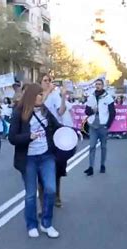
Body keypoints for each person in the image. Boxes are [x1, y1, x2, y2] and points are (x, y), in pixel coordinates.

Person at [8, 83, 61, 238]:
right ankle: (31, 224)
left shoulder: (45, 111)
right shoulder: (19, 112)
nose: (42, 97)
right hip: (28, 159)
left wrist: (71, 132)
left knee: (50, 189)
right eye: (39, 94)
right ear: (32, 96)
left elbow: (57, 127)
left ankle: (46, 223)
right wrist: (28, 137)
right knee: (31, 194)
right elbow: (12, 138)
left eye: (42, 94)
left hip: (46, 156)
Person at [40, 74, 73, 207]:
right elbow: (39, 104)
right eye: (45, 81)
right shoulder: (38, 95)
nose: (48, 83)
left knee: (58, 166)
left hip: (56, 133)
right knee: (42, 167)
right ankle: (44, 200)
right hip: (41, 134)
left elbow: (61, 111)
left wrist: (63, 97)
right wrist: (47, 92)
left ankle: (57, 195)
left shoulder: (55, 96)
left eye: (50, 81)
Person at [83, 79, 116, 176]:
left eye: (99, 84)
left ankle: (102, 165)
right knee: (92, 146)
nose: (97, 86)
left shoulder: (108, 97)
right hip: (93, 124)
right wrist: (92, 111)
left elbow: (112, 112)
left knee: (103, 146)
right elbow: (86, 112)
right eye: (96, 84)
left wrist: (108, 125)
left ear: (103, 86)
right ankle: (91, 167)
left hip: (103, 125)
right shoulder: (91, 97)